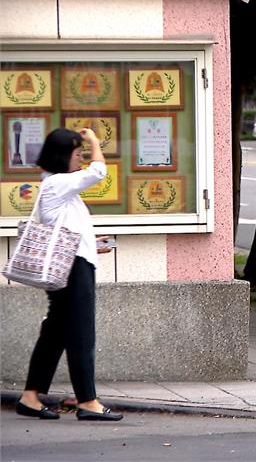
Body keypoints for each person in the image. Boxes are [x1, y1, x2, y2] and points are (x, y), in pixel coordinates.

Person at [16, 128, 122, 421]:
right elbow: (99, 172)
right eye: (78, 153)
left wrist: (94, 244)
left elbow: (70, 228)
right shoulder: (58, 184)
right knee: (81, 336)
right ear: (63, 156)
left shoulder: (55, 185)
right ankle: (88, 402)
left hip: (70, 264)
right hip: (73, 271)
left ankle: (30, 397)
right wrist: (95, 142)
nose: (81, 158)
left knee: (55, 335)